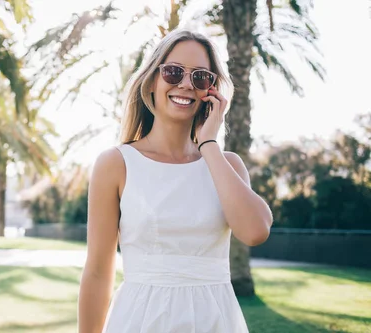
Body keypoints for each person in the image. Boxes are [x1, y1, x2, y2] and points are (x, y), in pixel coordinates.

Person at [77, 30, 274, 333]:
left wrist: (209, 144)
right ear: (152, 80)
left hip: (217, 321)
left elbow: (255, 231)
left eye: (201, 77)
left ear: (211, 91)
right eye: (173, 72)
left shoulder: (227, 165)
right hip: (139, 321)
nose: (185, 84)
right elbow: (97, 273)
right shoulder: (116, 164)